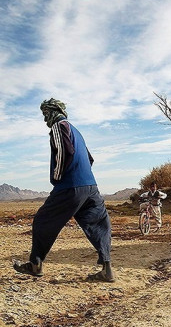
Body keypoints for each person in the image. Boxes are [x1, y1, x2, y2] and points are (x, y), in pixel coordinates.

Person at [13, 98, 115, 282]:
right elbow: (90, 159)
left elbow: (64, 152)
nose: (45, 119)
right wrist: (83, 177)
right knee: (98, 223)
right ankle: (107, 270)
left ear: (54, 111)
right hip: (90, 187)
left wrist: (57, 177)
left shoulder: (59, 126)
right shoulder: (78, 131)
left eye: (46, 113)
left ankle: (36, 265)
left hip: (70, 186)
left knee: (43, 221)